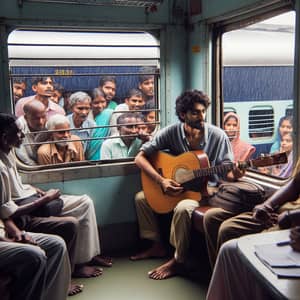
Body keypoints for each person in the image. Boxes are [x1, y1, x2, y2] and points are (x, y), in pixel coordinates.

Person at [130, 89, 244, 280]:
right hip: (178, 188)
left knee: (183, 209)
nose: (202, 116)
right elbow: (139, 158)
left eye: (203, 111)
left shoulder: (218, 136)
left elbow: (228, 171)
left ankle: (178, 261)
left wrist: (237, 173)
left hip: (206, 192)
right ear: (183, 115)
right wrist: (162, 180)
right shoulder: (171, 132)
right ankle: (156, 245)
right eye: (196, 112)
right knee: (141, 198)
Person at [1, 113, 112, 279]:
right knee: (73, 219)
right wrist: (46, 199)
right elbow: (7, 211)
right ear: (4, 137)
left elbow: (14, 185)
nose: (23, 135)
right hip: (24, 208)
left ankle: (88, 256)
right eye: (18, 132)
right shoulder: (2, 165)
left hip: (28, 196)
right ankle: (78, 265)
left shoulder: (8, 151)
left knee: (86, 202)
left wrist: (31, 187)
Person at [203, 156, 300, 268]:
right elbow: (295, 183)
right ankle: (219, 276)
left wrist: (290, 216)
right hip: (282, 210)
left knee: (230, 232)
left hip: (293, 219)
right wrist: (267, 205)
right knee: (220, 224)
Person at [0, 218, 71, 300]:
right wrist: (10, 242)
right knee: (35, 255)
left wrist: (18, 234)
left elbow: (4, 215)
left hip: (5, 233)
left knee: (57, 244)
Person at [15, 99, 50, 165]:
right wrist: (34, 166)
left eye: (43, 117)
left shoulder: (49, 124)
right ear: (26, 117)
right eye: (36, 118)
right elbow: (21, 154)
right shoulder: (18, 127)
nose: (41, 122)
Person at [67, 91, 96, 160]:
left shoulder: (91, 125)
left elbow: (89, 149)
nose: (84, 112)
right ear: (71, 108)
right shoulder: (64, 123)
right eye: (80, 108)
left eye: (87, 108)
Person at [87, 88, 113, 160]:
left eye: (103, 102)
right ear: (90, 103)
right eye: (96, 103)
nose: (100, 105)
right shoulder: (85, 116)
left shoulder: (110, 114)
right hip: (88, 156)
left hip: (105, 154)